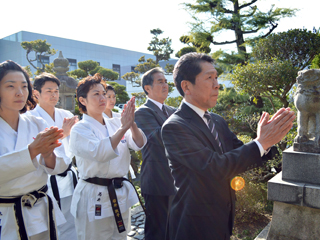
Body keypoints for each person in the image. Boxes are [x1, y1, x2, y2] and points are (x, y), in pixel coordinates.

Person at [161, 53, 296, 240]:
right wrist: (261, 142)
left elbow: (243, 156)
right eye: (209, 78)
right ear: (186, 86)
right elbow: (214, 167)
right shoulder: (175, 127)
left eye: (216, 77)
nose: (217, 84)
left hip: (223, 218)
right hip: (194, 225)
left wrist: (266, 140)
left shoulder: (217, 120)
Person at [68, 73, 147, 240]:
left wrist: (131, 124)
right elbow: (100, 153)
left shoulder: (116, 122)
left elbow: (139, 143)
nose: (102, 98)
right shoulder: (80, 129)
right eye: (96, 94)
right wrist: (123, 127)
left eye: (103, 93)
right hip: (93, 194)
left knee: (121, 236)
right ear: (83, 100)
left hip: (119, 192)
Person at [0, 60, 69, 240]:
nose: (19, 92)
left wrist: (48, 154)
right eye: (10, 86)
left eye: (24, 86)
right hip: (7, 213)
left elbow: (60, 166)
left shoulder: (37, 123)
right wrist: (31, 151)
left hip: (41, 209)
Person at [26, 72, 78, 240]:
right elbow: (36, 149)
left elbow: (76, 144)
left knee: (73, 224)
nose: (54, 95)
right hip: (46, 181)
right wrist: (63, 134)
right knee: (52, 227)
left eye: (56, 91)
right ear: (36, 93)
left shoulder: (66, 114)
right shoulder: (29, 118)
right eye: (49, 91)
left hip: (69, 178)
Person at [135, 67, 176, 240]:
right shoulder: (143, 112)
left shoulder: (173, 111)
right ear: (147, 88)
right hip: (157, 181)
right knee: (157, 233)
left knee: (174, 230)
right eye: (160, 81)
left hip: (177, 180)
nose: (165, 85)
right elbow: (159, 138)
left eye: (166, 81)